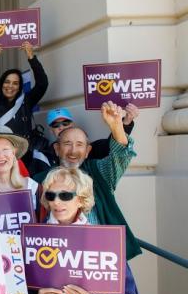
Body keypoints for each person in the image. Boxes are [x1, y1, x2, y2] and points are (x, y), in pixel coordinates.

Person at [14, 167, 150, 294]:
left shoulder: (102, 240)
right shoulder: (32, 238)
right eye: (51, 195)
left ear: (81, 199)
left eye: (65, 195)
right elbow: (14, 293)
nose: (57, 202)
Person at [34, 101, 142, 259]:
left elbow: (120, 156)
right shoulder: (40, 180)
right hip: (56, 258)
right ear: (57, 149)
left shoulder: (98, 172)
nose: (73, 151)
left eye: (79, 145)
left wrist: (117, 126)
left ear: (87, 151)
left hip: (100, 258)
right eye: (67, 144)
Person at [0, 42, 48, 143]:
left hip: (24, 156)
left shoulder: (26, 101)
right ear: (1, 84)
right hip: (0, 155)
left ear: (19, 87)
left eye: (15, 83)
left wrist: (31, 57)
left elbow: (42, 83)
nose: (10, 86)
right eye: (7, 82)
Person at [40, 105, 139, 167]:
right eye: (56, 125)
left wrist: (125, 122)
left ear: (87, 150)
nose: (62, 127)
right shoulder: (43, 156)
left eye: (65, 123)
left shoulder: (92, 150)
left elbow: (113, 147)